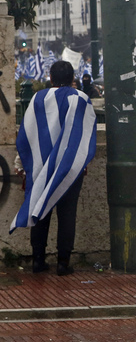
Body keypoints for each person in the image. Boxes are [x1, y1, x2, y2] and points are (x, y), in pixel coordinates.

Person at [11, 61, 96, 276]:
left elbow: (27, 132)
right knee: (67, 215)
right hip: (69, 168)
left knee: (40, 209)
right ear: (72, 78)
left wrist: (21, 165)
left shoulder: (38, 98)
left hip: (41, 166)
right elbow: (85, 137)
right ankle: (63, 263)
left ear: (50, 77)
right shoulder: (81, 99)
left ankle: (38, 260)